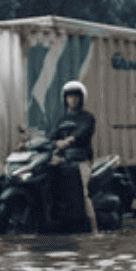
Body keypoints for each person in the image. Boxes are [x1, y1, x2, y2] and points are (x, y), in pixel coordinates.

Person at [50, 80, 99, 233]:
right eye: (69, 97)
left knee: (83, 192)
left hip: (81, 161)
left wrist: (68, 140)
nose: (72, 99)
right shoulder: (61, 119)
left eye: (76, 97)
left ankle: (94, 229)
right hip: (63, 161)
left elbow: (82, 133)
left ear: (81, 99)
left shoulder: (87, 118)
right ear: (64, 99)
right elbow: (51, 135)